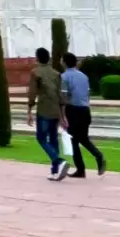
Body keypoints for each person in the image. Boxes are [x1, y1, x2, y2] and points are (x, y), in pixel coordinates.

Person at [61, 53, 106, 177]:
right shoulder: (83, 76)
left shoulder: (64, 77)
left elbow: (64, 97)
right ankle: (81, 169)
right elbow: (87, 95)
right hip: (85, 109)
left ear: (64, 62)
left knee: (74, 140)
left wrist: (63, 115)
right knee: (81, 138)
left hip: (73, 110)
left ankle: (96, 157)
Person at [26, 47, 66, 180]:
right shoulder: (56, 73)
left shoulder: (35, 72)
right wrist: (62, 115)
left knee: (41, 138)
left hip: (44, 109)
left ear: (37, 58)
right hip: (55, 110)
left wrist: (29, 111)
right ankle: (55, 171)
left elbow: (32, 93)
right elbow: (60, 96)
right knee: (53, 139)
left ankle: (58, 161)